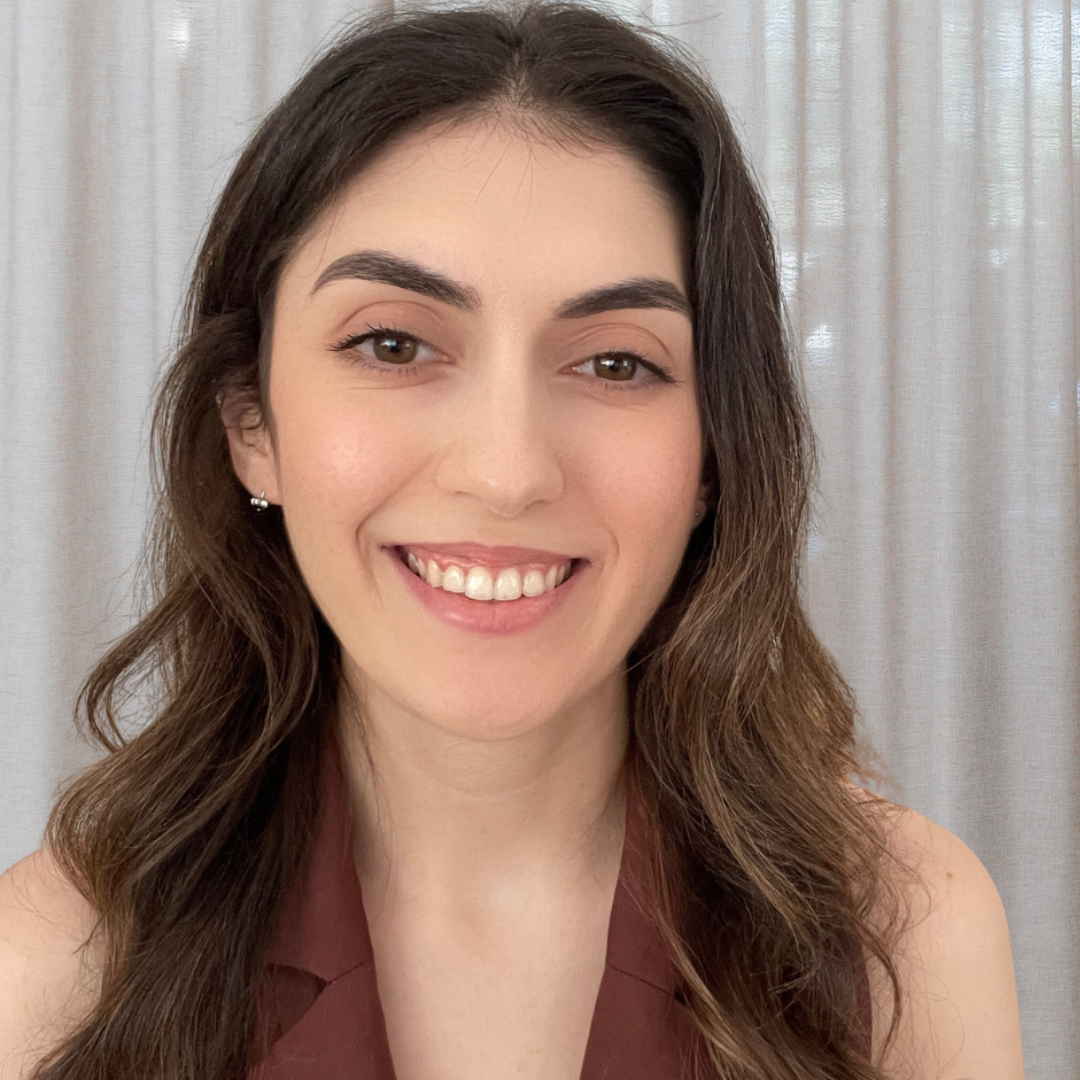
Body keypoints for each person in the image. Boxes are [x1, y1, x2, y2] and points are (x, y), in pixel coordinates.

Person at [0, 3, 1024, 1078]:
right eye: (393, 343)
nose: (506, 471)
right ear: (251, 427)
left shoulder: (902, 938)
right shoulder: (52, 969)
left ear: (717, 450)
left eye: (616, 363)